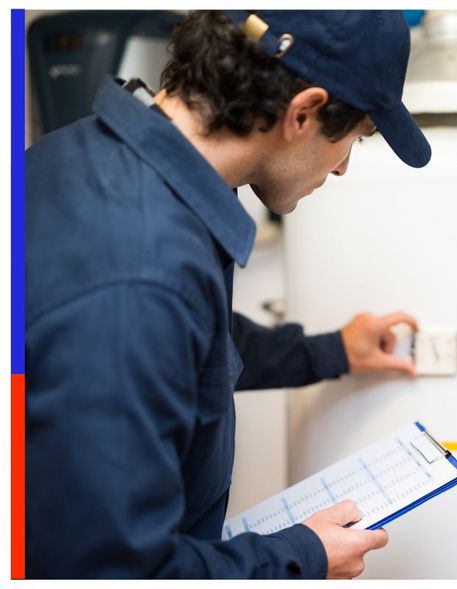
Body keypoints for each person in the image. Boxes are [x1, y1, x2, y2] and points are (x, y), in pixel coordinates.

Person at [25, 10, 431, 579]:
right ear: (304, 112)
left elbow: (184, 346)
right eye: (355, 140)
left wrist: (332, 351)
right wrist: (302, 555)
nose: (339, 169)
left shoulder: (85, 158)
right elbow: (114, 568)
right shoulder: (138, 271)